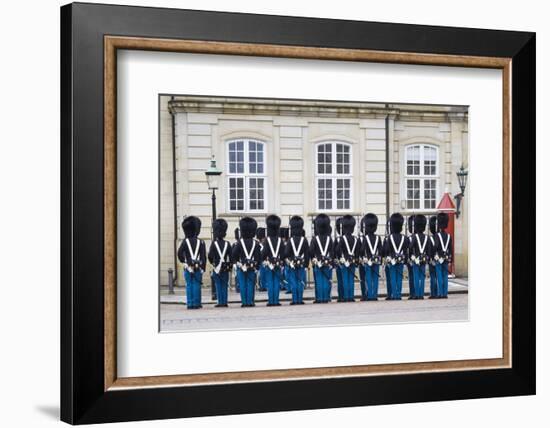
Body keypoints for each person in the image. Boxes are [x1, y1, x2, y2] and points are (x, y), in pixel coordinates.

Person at [177, 216, 206, 309]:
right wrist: (202, 268)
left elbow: (179, 253)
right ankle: (197, 303)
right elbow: (203, 256)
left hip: (188, 267)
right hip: (198, 267)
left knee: (189, 285)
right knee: (197, 285)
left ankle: (190, 304)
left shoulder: (185, 241)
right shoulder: (201, 242)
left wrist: (184, 262)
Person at [231, 217, 261, 307]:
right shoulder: (255, 243)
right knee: (251, 284)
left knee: (243, 285)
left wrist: (238, 263)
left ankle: (244, 302)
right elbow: (258, 256)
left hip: (242, 267)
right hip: (252, 267)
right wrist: (257, 267)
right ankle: (250, 302)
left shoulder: (239, 243)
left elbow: (234, 255)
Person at [383, 213, 409, 300]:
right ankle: (398, 294)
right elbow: (406, 249)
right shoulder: (404, 238)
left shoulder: (388, 238)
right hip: (401, 260)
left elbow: (385, 250)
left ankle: (394, 294)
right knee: (399, 278)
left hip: (392, 260)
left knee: (392, 278)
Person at [284, 216, 309, 305]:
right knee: (301, 281)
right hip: (302, 264)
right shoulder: (304, 240)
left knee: (294, 282)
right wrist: (306, 265)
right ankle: (300, 299)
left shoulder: (290, 240)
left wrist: (289, 261)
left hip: (292, 264)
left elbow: (286, 253)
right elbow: (307, 254)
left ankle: (295, 300)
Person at [310, 214, 334, 303]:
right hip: (327, 262)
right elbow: (332, 251)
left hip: (318, 263)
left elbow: (311, 251)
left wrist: (314, 259)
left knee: (319, 282)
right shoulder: (329, 239)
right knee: (326, 281)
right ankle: (326, 298)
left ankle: (320, 298)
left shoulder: (314, 239)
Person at [336, 215, 360, 302]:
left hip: (344, 261)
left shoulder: (342, 239)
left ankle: (346, 297)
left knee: (345, 280)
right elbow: (358, 251)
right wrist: (356, 259)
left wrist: (340, 257)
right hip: (352, 261)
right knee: (351, 280)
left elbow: (337, 250)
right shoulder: (355, 239)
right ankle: (351, 297)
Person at [261, 215, 284, 306]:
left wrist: (264, 259)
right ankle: (276, 300)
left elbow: (264, 253)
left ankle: (271, 301)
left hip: (269, 263)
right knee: (277, 282)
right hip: (278, 263)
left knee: (270, 283)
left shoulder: (267, 240)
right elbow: (283, 252)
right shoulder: (280, 240)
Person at [207, 218, 232, 307]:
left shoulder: (214, 243)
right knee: (224, 285)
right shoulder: (228, 243)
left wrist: (213, 263)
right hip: (225, 267)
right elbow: (231, 256)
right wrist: (230, 265)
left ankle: (220, 302)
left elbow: (210, 256)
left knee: (218, 285)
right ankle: (224, 302)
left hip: (217, 266)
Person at [361, 213, 382, 301]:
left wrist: (363, 257)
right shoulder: (378, 237)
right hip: (376, 260)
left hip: (368, 260)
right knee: (375, 279)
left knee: (368, 278)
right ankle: (374, 295)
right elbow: (381, 250)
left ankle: (369, 295)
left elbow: (362, 249)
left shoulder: (365, 238)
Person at [409, 214, 429, 300]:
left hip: (416, 259)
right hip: (423, 258)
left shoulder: (414, 237)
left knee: (416, 277)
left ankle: (416, 294)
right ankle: (421, 294)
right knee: (422, 277)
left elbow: (410, 247)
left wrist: (411, 256)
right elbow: (428, 249)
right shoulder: (426, 237)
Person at [434, 212, 453, 298]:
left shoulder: (437, 235)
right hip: (446, 258)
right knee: (445, 275)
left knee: (439, 276)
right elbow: (450, 248)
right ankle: (445, 293)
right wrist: (451, 260)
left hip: (439, 257)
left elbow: (436, 246)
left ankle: (440, 293)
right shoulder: (449, 236)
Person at [427, 216, 439, 299]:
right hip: (439, 259)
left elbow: (429, 250)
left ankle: (433, 293)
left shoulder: (430, 238)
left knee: (433, 277)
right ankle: (439, 292)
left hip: (432, 259)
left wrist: (430, 258)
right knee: (439, 277)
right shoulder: (441, 237)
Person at [334, 217, 345, 302]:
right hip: (343, 261)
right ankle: (346, 295)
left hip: (341, 262)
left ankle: (342, 296)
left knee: (341, 281)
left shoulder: (338, 239)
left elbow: (335, 251)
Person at [406, 215, 416, 299]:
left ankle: (413, 293)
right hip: (417, 259)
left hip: (411, 260)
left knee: (412, 277)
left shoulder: (409, 238)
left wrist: (407, 259)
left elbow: (407, 250)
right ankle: (417, 293)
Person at [358, 217, 367, 301]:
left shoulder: (361, 238)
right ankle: (368, 294)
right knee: (365, 279)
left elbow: (358, 250)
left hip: (364, 261)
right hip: (364, 260)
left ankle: (365, 294)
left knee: (364, 278)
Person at [256, 227, 267, 292]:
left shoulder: (266, 245)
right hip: (261, 262)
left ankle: (265, 286)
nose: (264, 239)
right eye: (263, 238)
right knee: (261, 275)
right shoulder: (258, 245)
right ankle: (262, 285)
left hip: (266, 262)